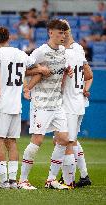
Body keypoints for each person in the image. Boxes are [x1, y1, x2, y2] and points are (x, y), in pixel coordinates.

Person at [0, 26, 48, 189]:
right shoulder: (21, 54)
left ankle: (3, 181)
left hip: (1, 104)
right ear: (9, 38)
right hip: (16, 105)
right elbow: (29, 68)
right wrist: (40, 69)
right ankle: (13, 181)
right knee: (12, 142)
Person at [18, 19, 72, 190]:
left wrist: (67, 70)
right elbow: (22, 70)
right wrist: (39, 70)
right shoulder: (40, 52)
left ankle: (51, 180)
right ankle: (22, 180)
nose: (62, 36)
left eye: (64, 33)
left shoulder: (63, 51)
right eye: (59, 32)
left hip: (57, 103)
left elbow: (61, 69)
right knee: (37, 140)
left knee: (63, 139)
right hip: (41, 103)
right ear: (50, 32)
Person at [61, 19, 93, 187]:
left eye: (59, 32)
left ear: (65, 33)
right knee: (70, 140)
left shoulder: (69, 52)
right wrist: (85, 88)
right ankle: (84, 175)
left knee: (67, 141)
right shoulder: (78, 49)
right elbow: (90, 74)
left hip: (71, 102)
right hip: (78, 101)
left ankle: (69, 179)